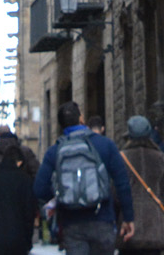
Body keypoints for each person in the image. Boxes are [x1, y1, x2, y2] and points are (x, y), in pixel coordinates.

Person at [32, 102, 133, 255]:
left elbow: (39, 188)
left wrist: (60, 195)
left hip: (72, 223)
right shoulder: (105, 145)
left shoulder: (55, 151)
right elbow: (122, 183)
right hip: (102, 219)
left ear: (60, 125)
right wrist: (128, 217)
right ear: (81, 119)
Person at [118, 118, 164, 253]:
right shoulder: (162, 158)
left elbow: (116, 194)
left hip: (129, 225)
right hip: (155, 226)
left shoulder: (121, 158)